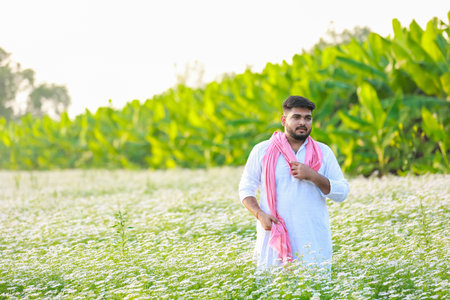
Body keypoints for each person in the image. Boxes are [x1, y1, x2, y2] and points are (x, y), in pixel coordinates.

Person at [239, 96, 349, 271]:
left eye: (307, 118)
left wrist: (314, 176)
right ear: (284, 120)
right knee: (272, 293)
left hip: (313, 242)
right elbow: (245, 189)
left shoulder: (323, 152)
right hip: (273, 242)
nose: (302, 122)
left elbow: (342, 192)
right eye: (296, 117)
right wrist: (260, 214)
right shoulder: (262, 150)